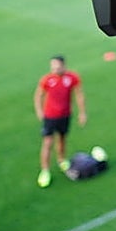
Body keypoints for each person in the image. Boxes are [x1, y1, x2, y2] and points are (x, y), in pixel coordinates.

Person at [33, 55, 87, 188]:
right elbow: (38, 95)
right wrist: (40, 111)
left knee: (62, 138)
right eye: (53, 67)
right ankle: (45, 170)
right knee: (48, 142)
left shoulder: (72, 78)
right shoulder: (47, 79)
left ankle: (61, 160)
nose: (55, 69)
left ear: (63, 66)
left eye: (57, 67)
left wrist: (82, 112)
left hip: (65, 115)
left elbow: (79, 94)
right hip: (50, 116)